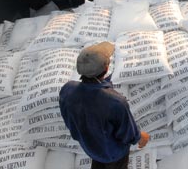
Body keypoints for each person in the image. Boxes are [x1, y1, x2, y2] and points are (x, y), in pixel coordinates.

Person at [59, 41, 149, 169]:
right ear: (106, 68)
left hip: (90, 147)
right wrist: (141, 138)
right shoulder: (116, 103)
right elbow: (127, 134)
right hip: (114, 154)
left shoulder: (67, 90)